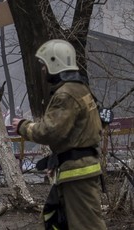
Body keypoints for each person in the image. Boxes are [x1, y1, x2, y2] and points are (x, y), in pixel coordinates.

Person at [11, 39, 106, 230]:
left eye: (45, 65)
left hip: (77, 173)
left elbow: (50, 132)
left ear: (55, 63)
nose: (43, 70)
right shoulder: (81, 89)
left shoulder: (65, 95)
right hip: (78, 169)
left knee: (86, 226)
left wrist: (23, 126)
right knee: (62, 221)